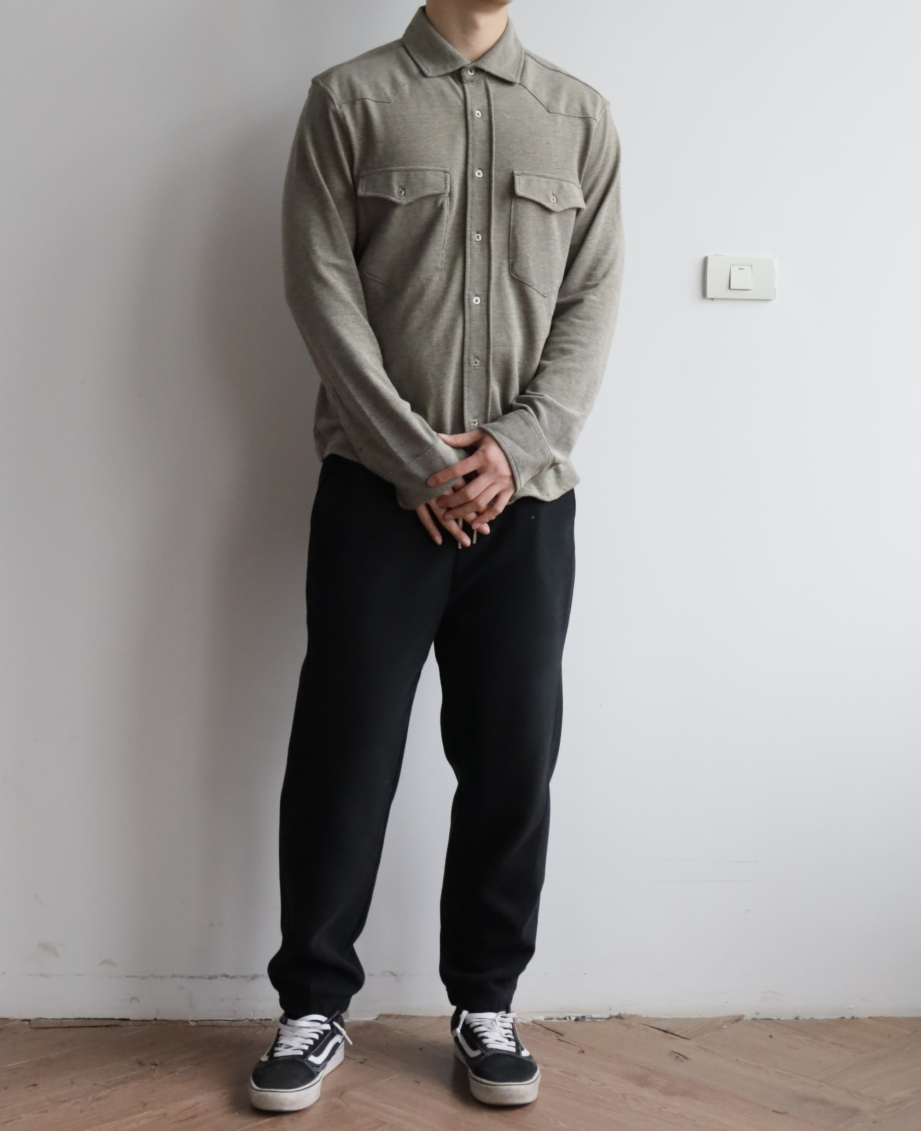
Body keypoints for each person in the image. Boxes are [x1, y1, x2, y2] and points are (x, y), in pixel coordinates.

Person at [248, 0, 623, 1112]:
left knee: (512, 758)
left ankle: (486, 1001)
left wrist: (514, 447)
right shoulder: (347, 101)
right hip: (376, 499)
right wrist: (415, 460)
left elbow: (593, 302)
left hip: (525, 503)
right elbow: (320, 290)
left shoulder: (579, 116)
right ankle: (313, 1005)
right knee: (345, 753)